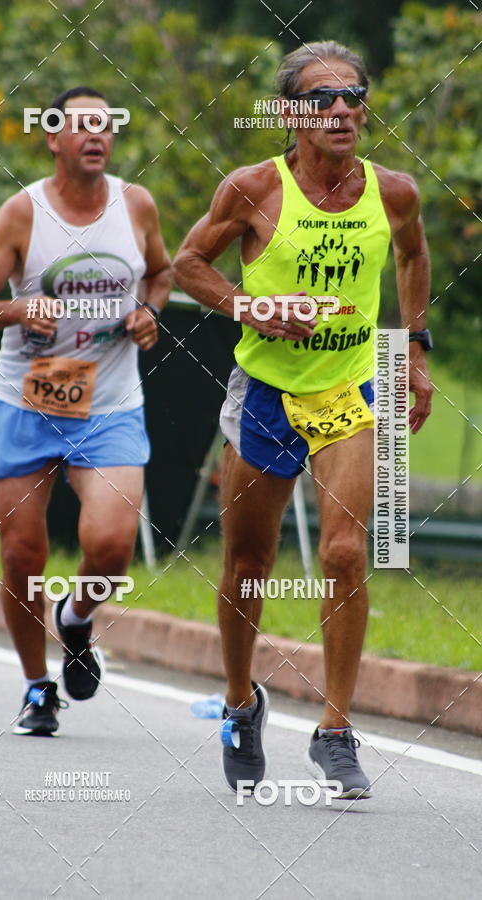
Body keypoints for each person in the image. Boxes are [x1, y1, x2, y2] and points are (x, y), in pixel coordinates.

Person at [173, 42, 432, 798]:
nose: (344, 109)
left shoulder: (394, 193)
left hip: (349, 387)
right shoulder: (254, 188)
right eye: (323, 98)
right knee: (248, 566)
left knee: (347, 554)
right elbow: (189, 264)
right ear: (290, 113)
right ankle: (239, 703)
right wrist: (253, 306)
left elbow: (414, 257)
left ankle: (335, 729)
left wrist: (412, 351)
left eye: (354, 94)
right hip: (264, 389)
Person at [0, 86, 171, 735]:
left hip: (110, 401)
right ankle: (37, 687)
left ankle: (75, 619)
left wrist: (149, 311)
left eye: (106, 126)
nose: (97, 135)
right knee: (22, 556)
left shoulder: (137, 205)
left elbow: (162, 271)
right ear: (53, 138)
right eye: (83, 126)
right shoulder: (22, 214)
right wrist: (17, 309)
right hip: (26, 400)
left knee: (111, 546)